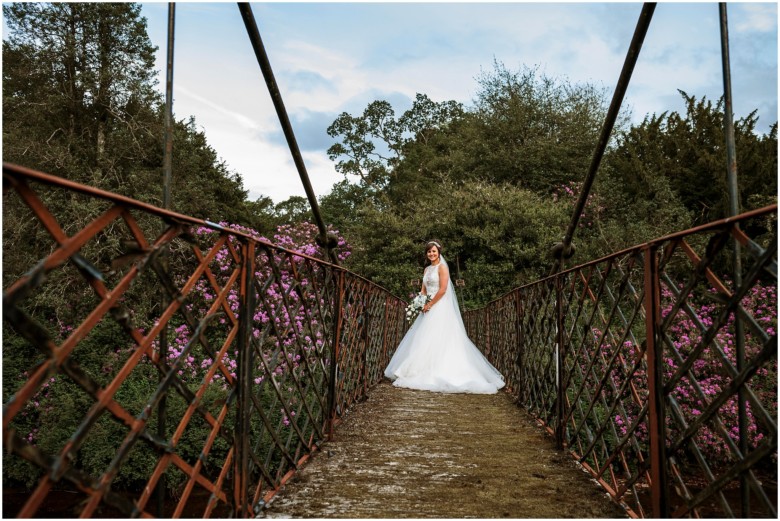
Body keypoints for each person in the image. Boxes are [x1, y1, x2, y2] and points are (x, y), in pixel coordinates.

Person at [384, 240, 505, 394]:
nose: (431, 254)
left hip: (439, 306)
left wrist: (430, 304)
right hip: (427, 307)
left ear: (439, 252)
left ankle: (442, 370)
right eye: (429, 252)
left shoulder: (442, 268)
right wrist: (419, 302)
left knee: (439, 337)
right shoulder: (427, 269)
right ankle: (419, 369)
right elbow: (423, 290)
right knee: (424, 338)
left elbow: (442, 290)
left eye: (434, 251)